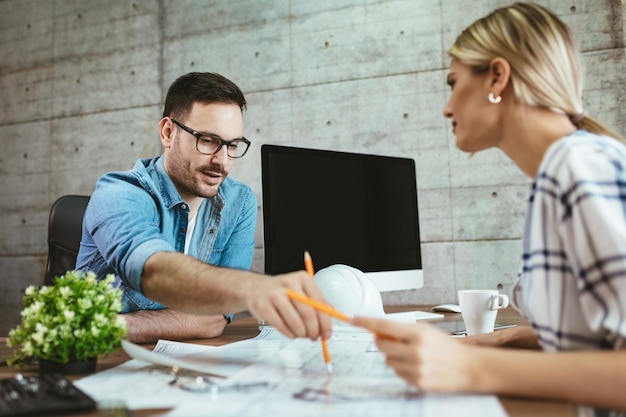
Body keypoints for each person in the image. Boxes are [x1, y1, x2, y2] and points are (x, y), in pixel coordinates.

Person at [352, 3, 626, 416]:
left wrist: (474, 366)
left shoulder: (581, 165)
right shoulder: (562, 170)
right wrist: (493, 342)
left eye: (453, 82)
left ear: (497, 76)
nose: (446, 108)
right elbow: (589, 338)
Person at [76, 72, 331, 344]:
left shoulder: (240, 201)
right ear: (168, 132)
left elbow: (216, 318)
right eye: (207, 140)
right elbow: (154, 271)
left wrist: (118, 323)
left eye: (232, 145)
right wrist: (254, 289)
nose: (221, 161)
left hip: (177, 358)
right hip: (96, 358)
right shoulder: (119, 193)